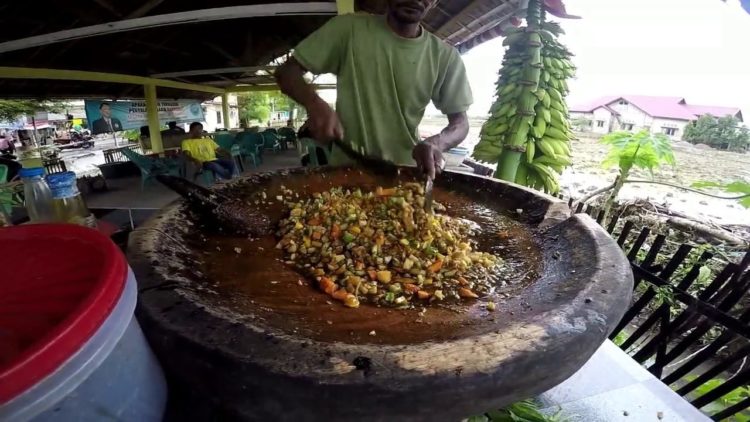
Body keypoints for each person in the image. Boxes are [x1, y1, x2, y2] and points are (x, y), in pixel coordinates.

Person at [275, 0, 472, 180]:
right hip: (345, 174)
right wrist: (315, 104)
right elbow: (286, 72)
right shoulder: (348, 29)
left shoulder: (445, 57)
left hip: (404, 175)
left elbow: (461, 124)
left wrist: (436, 144)